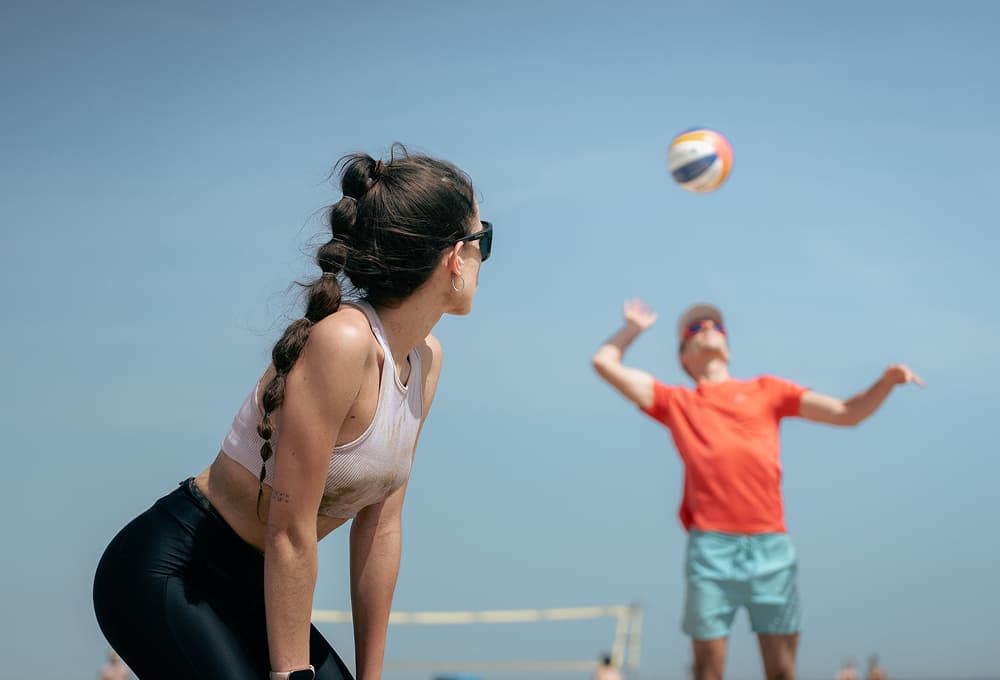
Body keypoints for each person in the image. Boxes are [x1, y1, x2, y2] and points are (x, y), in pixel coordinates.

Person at [93, 146, 494, 680]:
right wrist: (291, 674)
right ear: (453, 257)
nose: (483, 258)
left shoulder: (424, 360)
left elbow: (381, 526)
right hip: (172, 571)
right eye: (482, 240)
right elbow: (289, 529)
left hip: (257, 583)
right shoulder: (342, 342)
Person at [591, 299, 922, 680]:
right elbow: (604, 364)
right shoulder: (676, 401)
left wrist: (886, 383)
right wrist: (632, 328)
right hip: (711, 550)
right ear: (684, 357)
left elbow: (848, 413)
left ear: (728, 347)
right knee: (707, 671)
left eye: (716, 325)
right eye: (695, 328)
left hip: (771, 548)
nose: (709, 327)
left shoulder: (768, 390)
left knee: (782, 671)